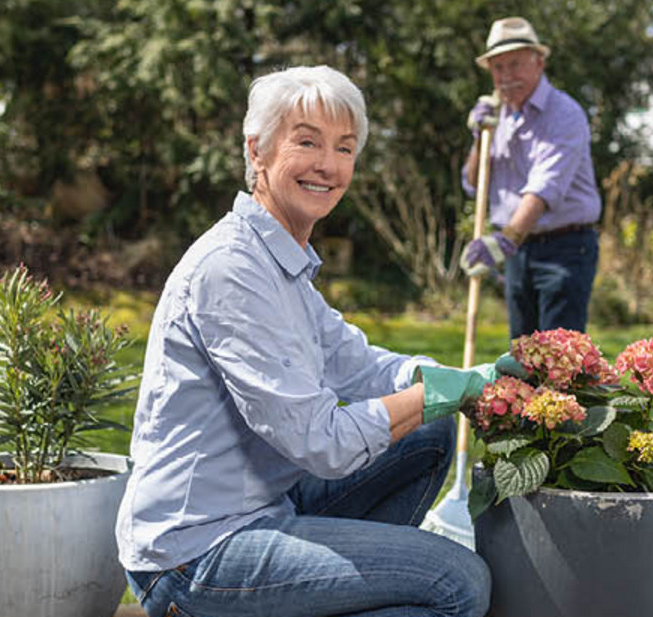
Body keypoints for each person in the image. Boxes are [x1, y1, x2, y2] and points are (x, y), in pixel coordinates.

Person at [115, 65, 493, 617]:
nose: (328, 165)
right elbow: (322, 441)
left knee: (428, 434)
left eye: (344, 148)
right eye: (307, 141)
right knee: (460, 583)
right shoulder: (231, 271)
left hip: (265, 505)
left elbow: (359, 363)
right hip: (194, 552)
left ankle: (329, 596)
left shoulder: (281, 264)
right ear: (258, 150)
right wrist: (440, 393)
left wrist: (448, 379)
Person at [459, 16, 602, 340]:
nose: (506, 77)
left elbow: (542, 188)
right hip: (519, 254)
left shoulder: (564, 114)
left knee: (559, 362)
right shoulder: (497, 117)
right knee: (521, 360)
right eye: (498, 68)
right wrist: (480, 137)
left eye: (515, 65)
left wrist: (504, 239)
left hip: (564, 249)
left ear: (539, 62)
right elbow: (473, 183)